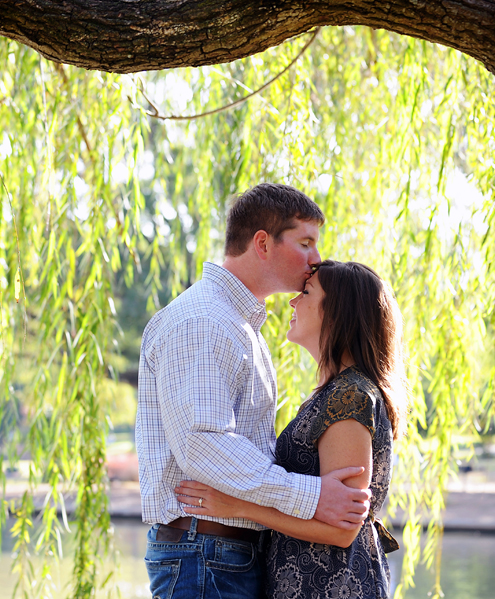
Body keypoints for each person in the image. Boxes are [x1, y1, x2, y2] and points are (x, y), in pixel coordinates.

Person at [136, 184, 373, 599]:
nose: (316, 259)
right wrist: (312, 495)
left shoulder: (239, 325)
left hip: (220, 555)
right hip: (205, 556)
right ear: (262, 243)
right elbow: (204, 443)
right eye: (305, 242)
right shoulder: (204, 321)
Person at [176, 260, 407, 599]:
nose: (292, 301)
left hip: (332, 586)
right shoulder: (338, 392)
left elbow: (342, 529)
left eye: (306, 293)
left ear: (336, 312)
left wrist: (239, 506)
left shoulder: (351, 396)